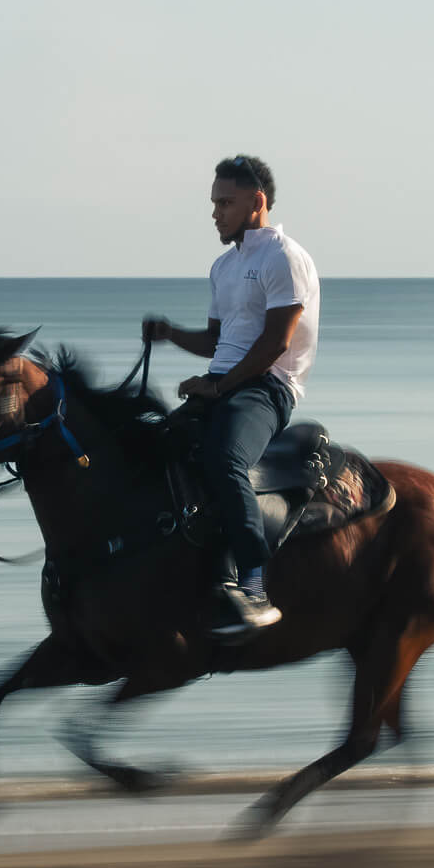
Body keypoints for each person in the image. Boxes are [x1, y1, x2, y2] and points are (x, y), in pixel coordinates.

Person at [142, 154, 321, 638]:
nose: (216, 213)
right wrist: (169, 333)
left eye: (226, 202)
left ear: (256, 202)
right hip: (223, 384)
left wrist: (218, 386)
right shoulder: (224, 266)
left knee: (225, 459)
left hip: (268, 388)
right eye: (214, 202)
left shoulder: (283, 257)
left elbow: (275, 343)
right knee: (152, 451)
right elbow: (215, 342)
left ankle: (256, 585)